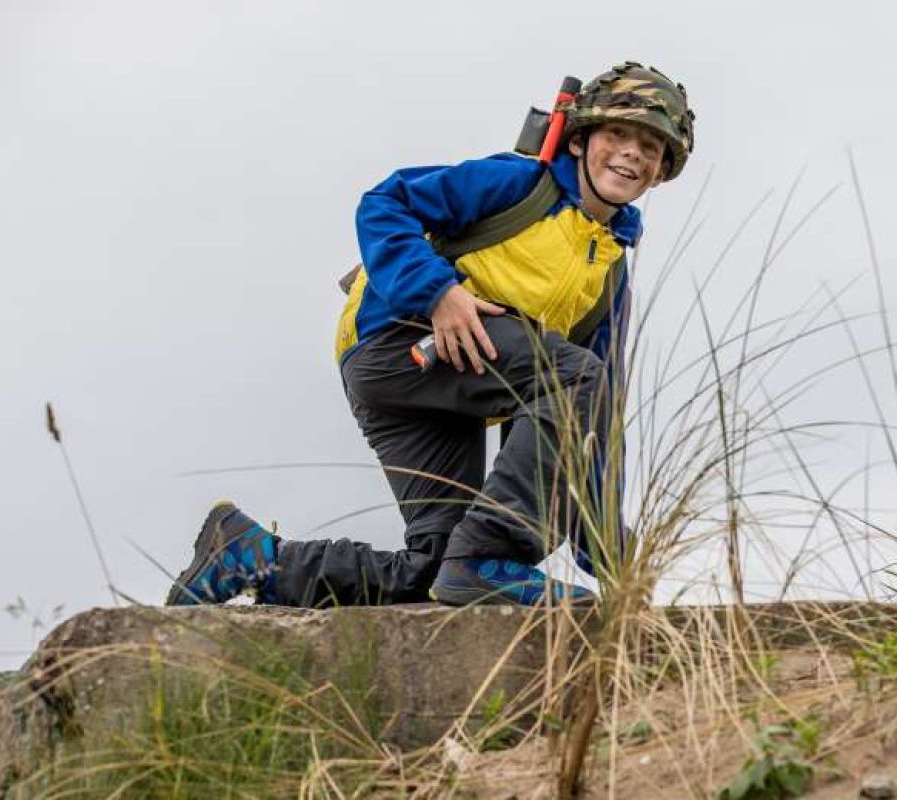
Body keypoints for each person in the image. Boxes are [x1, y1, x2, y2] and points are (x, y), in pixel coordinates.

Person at [165, 61, 695, 608]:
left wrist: (609, 556)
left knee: (439, 572)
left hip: (446, 394)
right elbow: (386, 202)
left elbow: (594, 418)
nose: (633, 151)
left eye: (651, 146)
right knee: (573, 384)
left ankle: (251, 558)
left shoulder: (608, 273)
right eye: (618, 133)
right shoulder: (518, 186)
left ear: (661, 171)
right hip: (397, 342)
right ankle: (496, 558)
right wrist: (439, 293)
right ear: (580, 141)